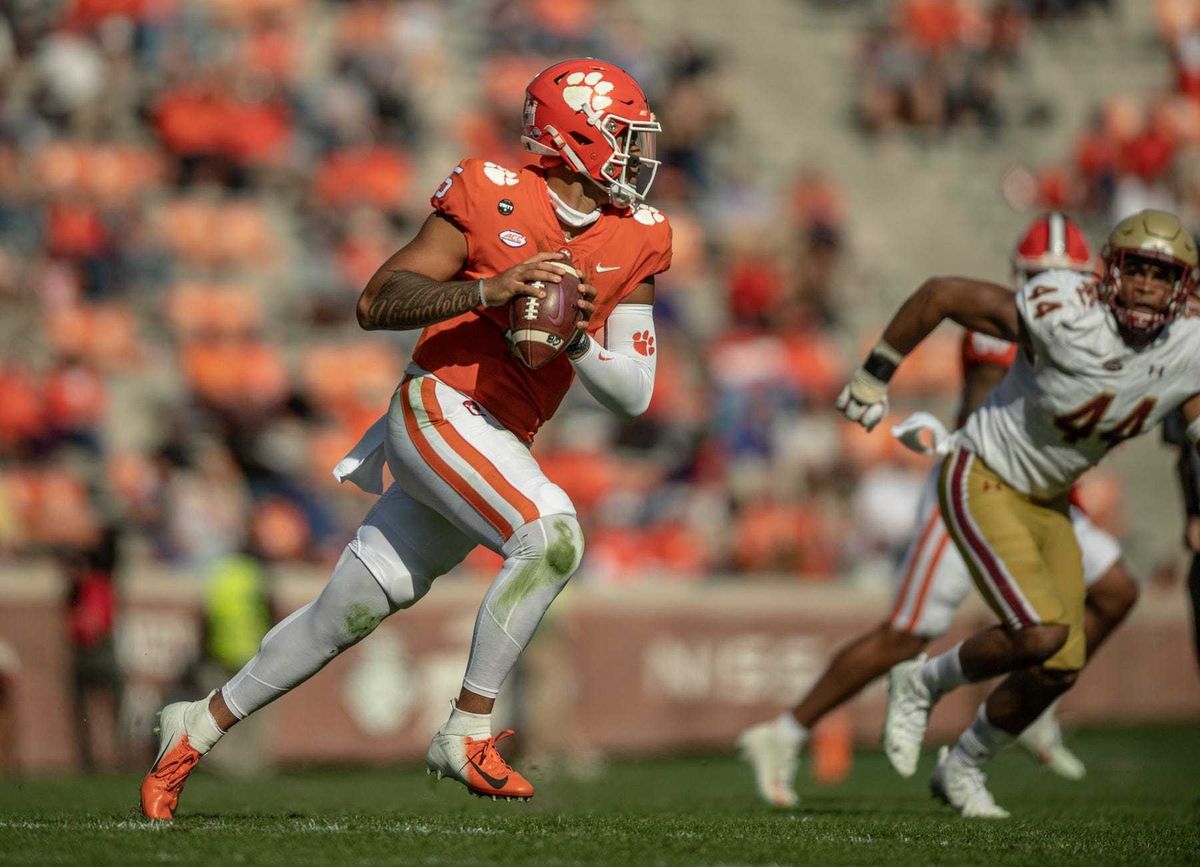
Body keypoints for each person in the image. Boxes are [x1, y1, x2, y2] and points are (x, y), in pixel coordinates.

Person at [139, 58, 672, 819]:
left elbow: (635, 394)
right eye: (622, 136)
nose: (638, 155)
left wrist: (577, 336)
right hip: (439, 406)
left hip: (501, 436)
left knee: (345, 612)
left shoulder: (639, 235)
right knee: (552, 536)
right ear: (574, 136)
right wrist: (488, 289)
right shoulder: (493, 192)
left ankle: (194, 724)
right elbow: (377, 298)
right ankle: (468, 728)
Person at [738, 213, 1140, 808]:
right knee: (906, 635)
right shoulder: (1006, 326)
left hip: (1044, 495)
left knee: (1116, 591)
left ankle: (1032, 702)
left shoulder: (1103, 331)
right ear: (1019, 278)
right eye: (1039, 277)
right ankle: (787, 730)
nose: (1051, 289)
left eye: (1065, 277)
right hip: (982, 483)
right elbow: (981, 411)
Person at [835, 208, 1200, 818]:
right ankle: (922, 681)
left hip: (1049, 498)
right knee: (1042, 633)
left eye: (1161, 276)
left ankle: (964, 766)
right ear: (1110, 272)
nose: (1144, 286)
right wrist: (876, 375)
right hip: (984, 473)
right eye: (1135, 270)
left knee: (1060, 667)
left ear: (1182, 288)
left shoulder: (1189, 346)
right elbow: (941, 294)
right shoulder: (1065, 314)